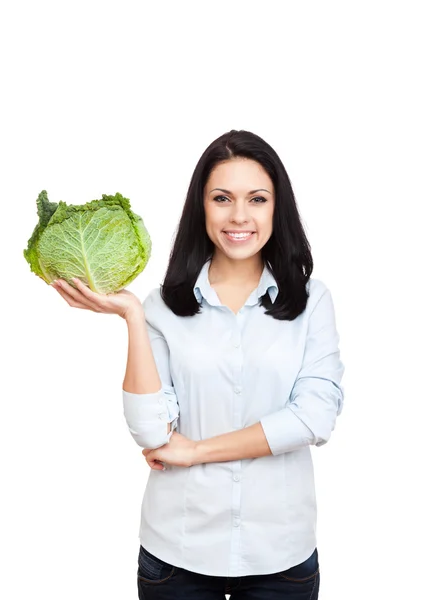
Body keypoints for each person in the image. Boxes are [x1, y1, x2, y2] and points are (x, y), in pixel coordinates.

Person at [51, 129, 345, 599]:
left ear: (277, 208)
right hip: (178, 552)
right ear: (201, 207)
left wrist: (195, 451)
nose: (240, 216)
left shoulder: (312, 300)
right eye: (222, 198)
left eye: (258, 199)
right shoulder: (161, 307)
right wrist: (131, 315)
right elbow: (151, 432)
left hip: (280, 554)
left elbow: (314, 417)